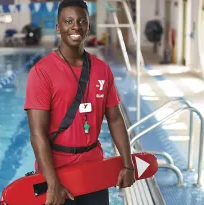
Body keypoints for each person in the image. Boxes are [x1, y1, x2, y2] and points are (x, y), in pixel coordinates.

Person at [24, 0, 135, 205]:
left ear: (88, 27)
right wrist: (52, 182)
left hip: (94, 170)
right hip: (57, 172)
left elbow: (115, 119)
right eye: (68, 21)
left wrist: (127, 164)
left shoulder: (102, 69)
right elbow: (37, 133)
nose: (75, 26)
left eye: (81, 21)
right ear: (58, 27)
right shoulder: (41, 72)